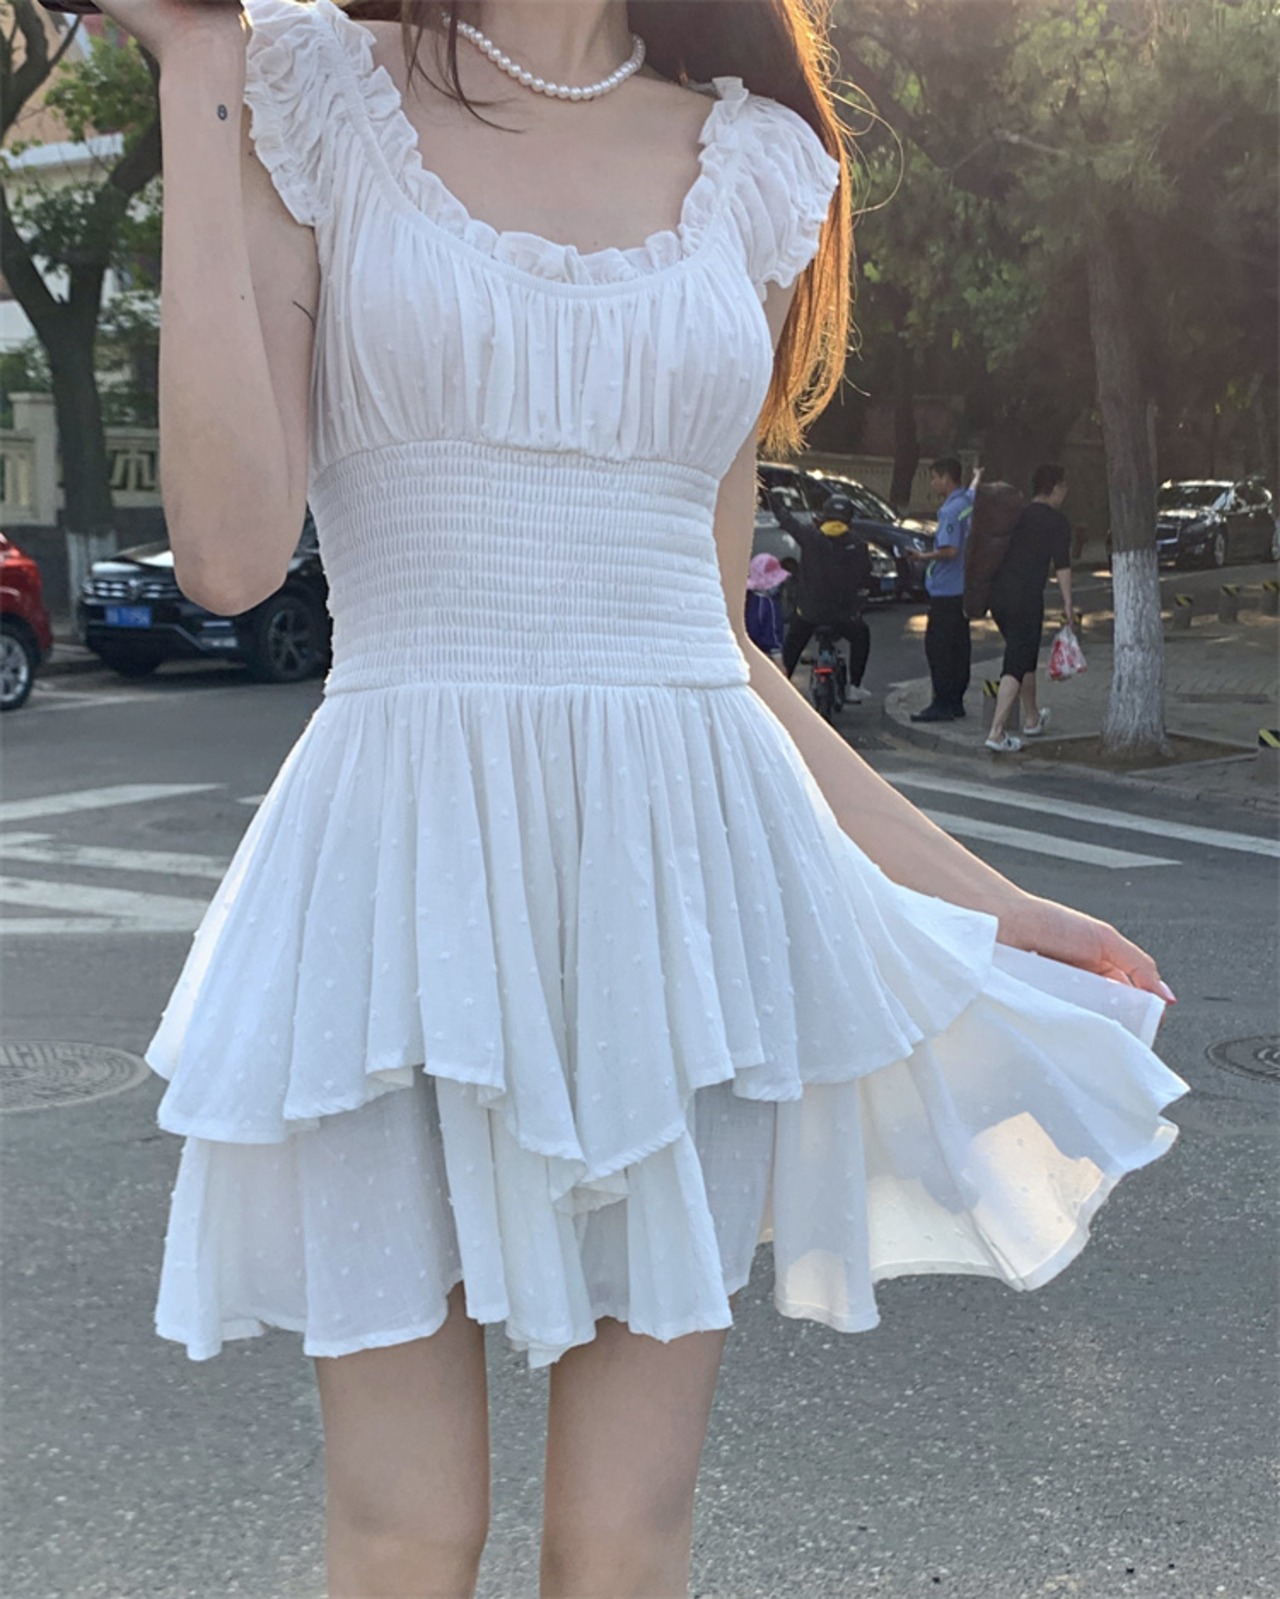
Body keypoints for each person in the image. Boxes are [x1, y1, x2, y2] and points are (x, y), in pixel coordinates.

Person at [121, 0, 1184, 1593]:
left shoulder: (755, 163)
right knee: (406, 1528)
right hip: (401, 874)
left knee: (625, 1535)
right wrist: (198, 64)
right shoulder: (301, 88)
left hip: (682, 893)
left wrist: (990, 899)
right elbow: (226, 556)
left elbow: (718, 645)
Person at [985, 463, 1076, 753]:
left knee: (1024, 655)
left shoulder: (1017, 514)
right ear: (1056, 488)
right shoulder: (1057, 522)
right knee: (1015, 661)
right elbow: (1062, 565)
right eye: (1064, 487)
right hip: (1025, 598)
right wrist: (1068, 602)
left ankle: (1032, 717)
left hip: (998, 594)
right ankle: (997, 732)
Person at [771, 490, 873, 700]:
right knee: (862, 636)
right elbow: (866, 575)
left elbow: (787, 520)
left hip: (809, 613)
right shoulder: (858, 545)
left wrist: (773, 500)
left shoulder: (809, 536)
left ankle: (780, 690)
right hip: (843, 616)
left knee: (792, 647)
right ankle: (855, 686)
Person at [909, 457, 980, 722]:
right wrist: (978, 475)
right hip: (962, 589)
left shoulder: (950, 511)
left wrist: (922, 556)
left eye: (935, 478)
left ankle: (941, 703)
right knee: (960, 648)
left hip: (946, 591)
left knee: (939, 650)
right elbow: (973, 491)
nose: (933, 483)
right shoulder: (967, 503)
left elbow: (950, 550)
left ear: (946, 478)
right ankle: (956, 702)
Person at [744, 551, 789, 661]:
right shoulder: (769, 605)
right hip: (763, 657)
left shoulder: (746, 598)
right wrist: (779, 664)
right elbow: (773, 636)